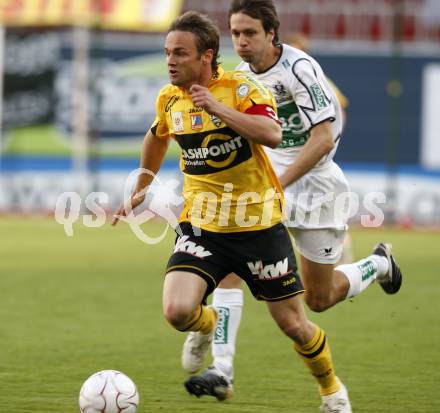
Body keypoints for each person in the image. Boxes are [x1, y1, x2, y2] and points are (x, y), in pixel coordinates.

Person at [113, 9, 350, 413]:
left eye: (180, 53)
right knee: (176, 311)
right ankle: (207, 332)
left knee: (295, 322)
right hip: (202, 224)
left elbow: (272, 134)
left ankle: (331, 391)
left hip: (257, 224)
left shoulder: (242, 89)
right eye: (167, 52)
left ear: (206, 56)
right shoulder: (169, 98)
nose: (170, 61)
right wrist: (142, 186)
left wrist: (216, 108)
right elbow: (157, 137)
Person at [182, 2, 403, 412]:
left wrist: (278, 185)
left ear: (272, 33)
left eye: (250, 33)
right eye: (236, 33)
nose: (242, 42)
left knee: (319, 299)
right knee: (230, 268)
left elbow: (323, 137)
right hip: (263, 190)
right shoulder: (239, 78)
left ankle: (378, 264)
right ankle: (222, 370)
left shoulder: (300, 69)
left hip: (315, 187)